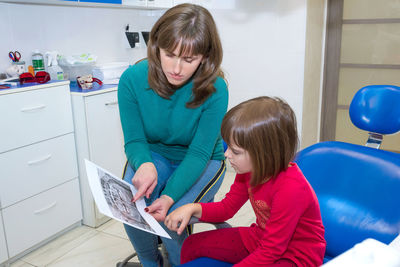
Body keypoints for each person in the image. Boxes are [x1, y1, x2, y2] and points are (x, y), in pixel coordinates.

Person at [117, 3, 228, 267]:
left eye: (189, 59)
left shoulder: (216, 89)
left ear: (205, 57)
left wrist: (168, 197)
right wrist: (144, 163)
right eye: (169, 54)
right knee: (132, 207)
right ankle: (149, 261)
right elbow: (134, 140)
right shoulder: (131, 80)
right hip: (154, 155)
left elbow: (200, 153)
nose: (176, 68)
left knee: (170, 219)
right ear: (156, 46)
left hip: (202, 160)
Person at [165, 96, 326, 267]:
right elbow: (227, 208)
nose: (227, 155)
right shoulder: (249, 171)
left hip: (297, 256)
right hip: (262, 238)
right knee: (192, 245)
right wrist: (192, 208)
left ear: (264, 153)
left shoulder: (291, 188)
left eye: (235, 151)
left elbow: (271, 251)